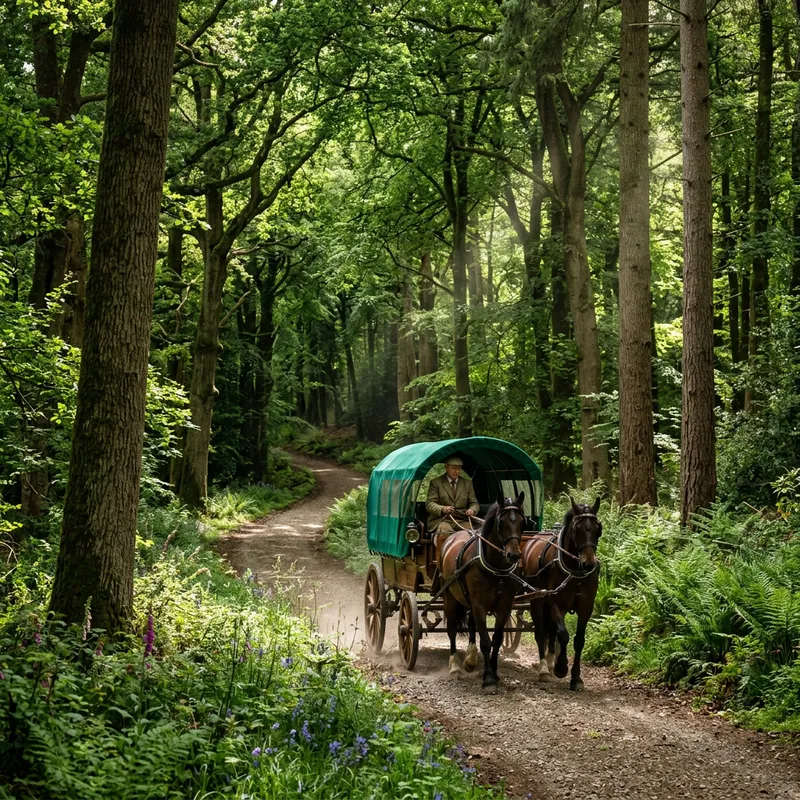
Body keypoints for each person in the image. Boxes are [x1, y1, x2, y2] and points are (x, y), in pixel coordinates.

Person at [425, 455, 480, 538]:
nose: (457, 471)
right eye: (454, 468)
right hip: (442, 520)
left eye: (459, 469)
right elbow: (429, 504)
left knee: (474, 534)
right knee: (446, 533)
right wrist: (443, 509)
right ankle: (442, 551)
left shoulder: (467, 484)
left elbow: (474, 503)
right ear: (446, 468)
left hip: (461, 520)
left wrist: (472, 510)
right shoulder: (436, 483)